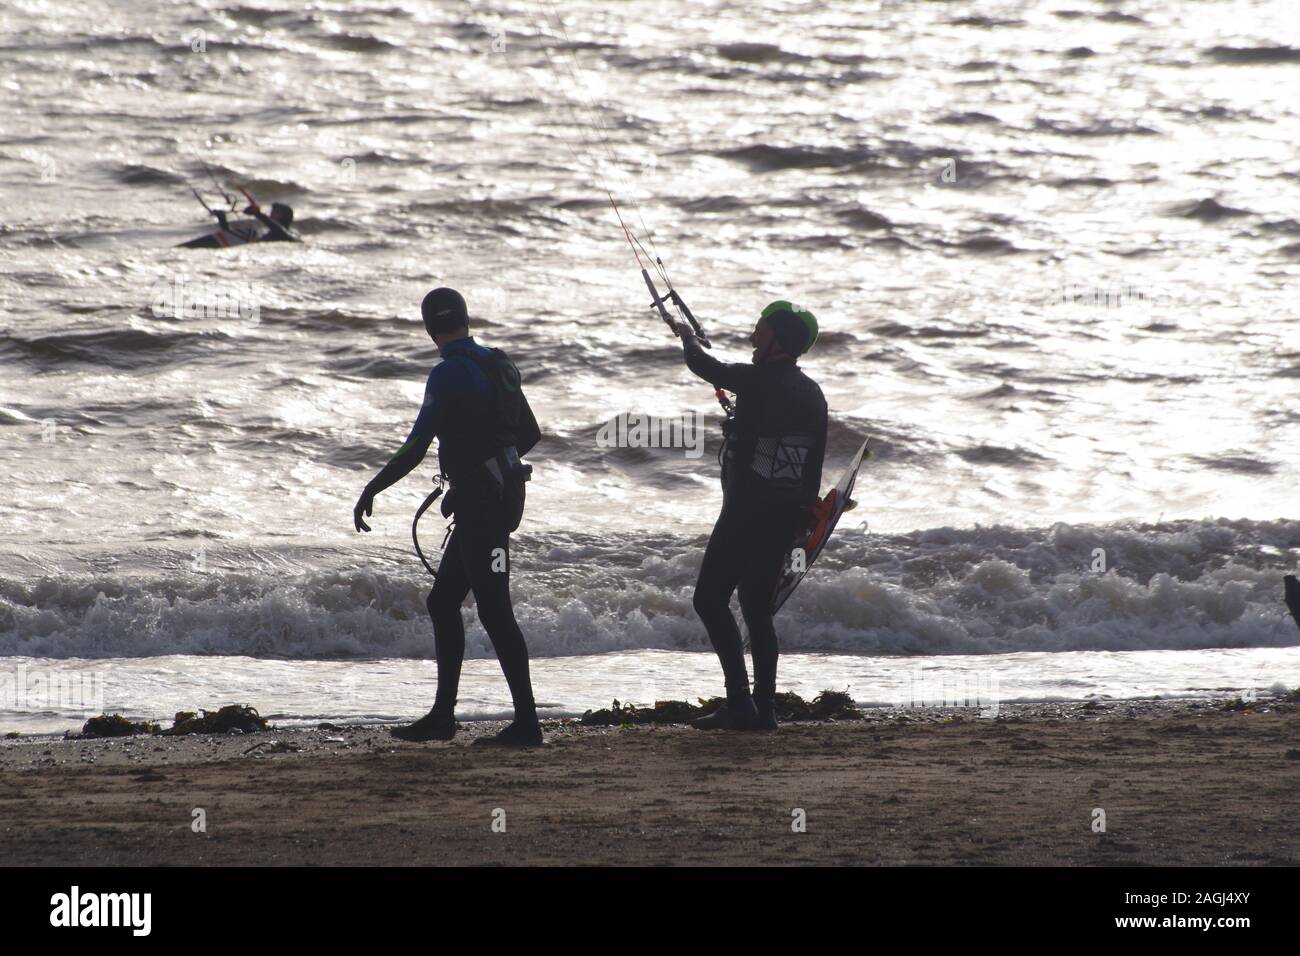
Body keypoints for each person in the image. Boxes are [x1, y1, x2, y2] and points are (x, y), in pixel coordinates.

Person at [353, 288, 544, 746]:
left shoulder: (446, 374)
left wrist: (372, 487)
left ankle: (528, 724)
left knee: (496, 611)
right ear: (465, 318)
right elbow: (530, 433)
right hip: (493, 501)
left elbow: (416, 445)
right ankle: (443, 716)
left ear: (428, 328)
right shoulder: (501, 362)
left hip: (484, 508)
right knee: (443, 603)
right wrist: (493, 462)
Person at [673, 299, 827, 731]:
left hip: (746, 512)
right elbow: (813, 462)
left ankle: (741, 702)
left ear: (777, 338)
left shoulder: (759, 380)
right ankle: (765, 710)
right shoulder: (812, 393)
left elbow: (708, 368)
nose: (753, 331)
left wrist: (687, 337)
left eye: (760, 326)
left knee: (708, 599)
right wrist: (804, 517)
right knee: (757, 607)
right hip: (783, 515)